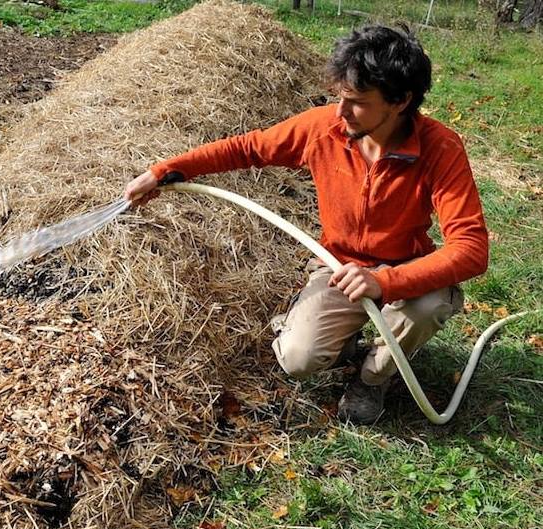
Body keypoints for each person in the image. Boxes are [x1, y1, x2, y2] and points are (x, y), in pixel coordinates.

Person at [122, 24, 489, 424]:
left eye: (356, 101)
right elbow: (247, 148)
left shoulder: (440, 148)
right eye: (339, 97)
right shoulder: (324, 129)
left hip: (405, 268)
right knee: (298, 359)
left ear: (400, 101)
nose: (340, 112)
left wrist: (385, 283)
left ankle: (372, 377)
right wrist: (165, 170)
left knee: (429, 305)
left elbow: (470, 249)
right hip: (335, 267)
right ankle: (346, 339)